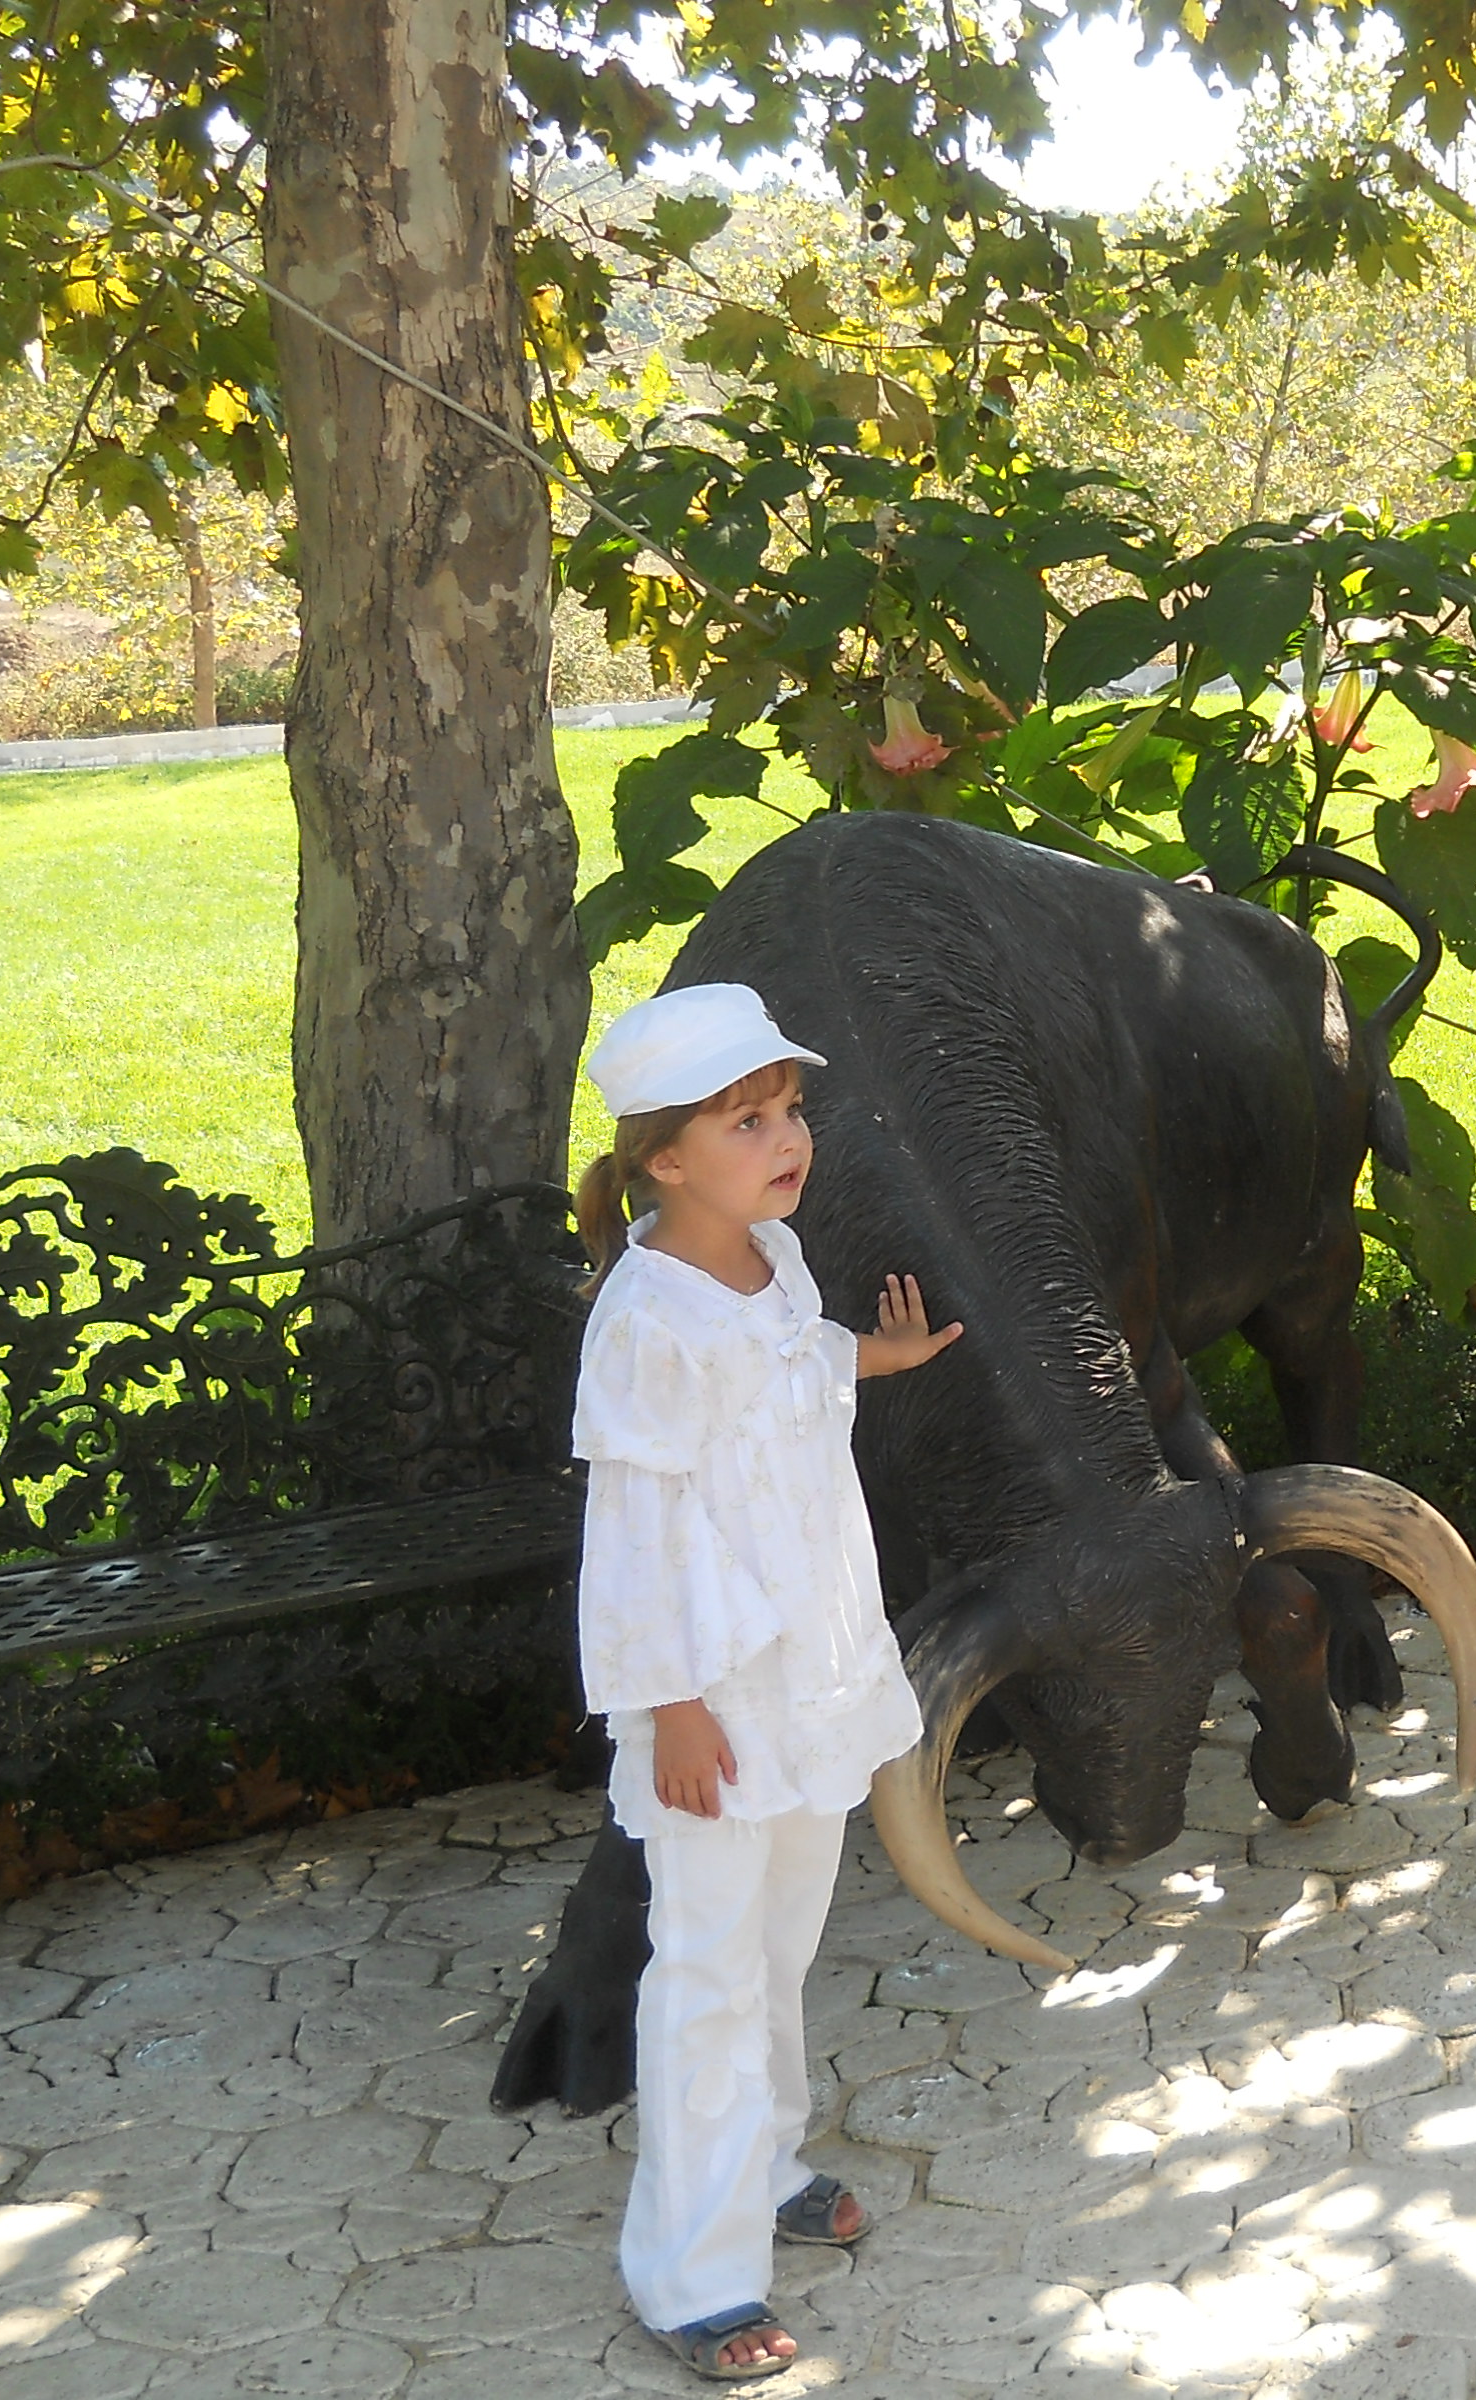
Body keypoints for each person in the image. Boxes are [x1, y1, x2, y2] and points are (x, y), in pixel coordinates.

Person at [570, 982, 961, 2380]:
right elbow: (633, 1532)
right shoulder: (646, 1321)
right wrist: (671, 1706)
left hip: (809, 1668)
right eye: (747, 1120)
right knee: (709, 1972)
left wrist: (879, 1354)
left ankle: (769, 2162)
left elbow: (789, 1371)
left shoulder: (774, 1261)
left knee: (781, 1942)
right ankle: (694, 2274)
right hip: (715, 1700)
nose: (788, 1137)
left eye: (789, 1108)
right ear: (665, 1158)